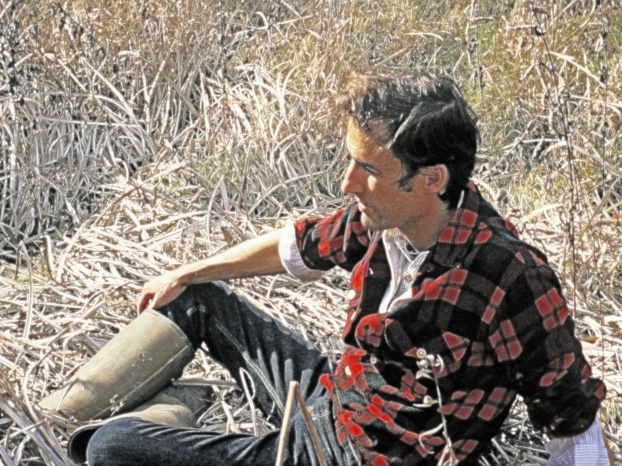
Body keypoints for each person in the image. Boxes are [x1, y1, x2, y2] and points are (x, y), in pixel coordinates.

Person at [40, 72, 611, 465]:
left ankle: (164, 411)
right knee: (197, 297)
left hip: (357, 457)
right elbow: (299, 246)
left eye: (369, 169)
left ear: (432, 179)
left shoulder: (510, 276)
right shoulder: (385, 216)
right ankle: (49, 420)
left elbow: (570, 415)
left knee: (111, 449)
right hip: (337, 393)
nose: (346, 183)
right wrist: (188, 272)